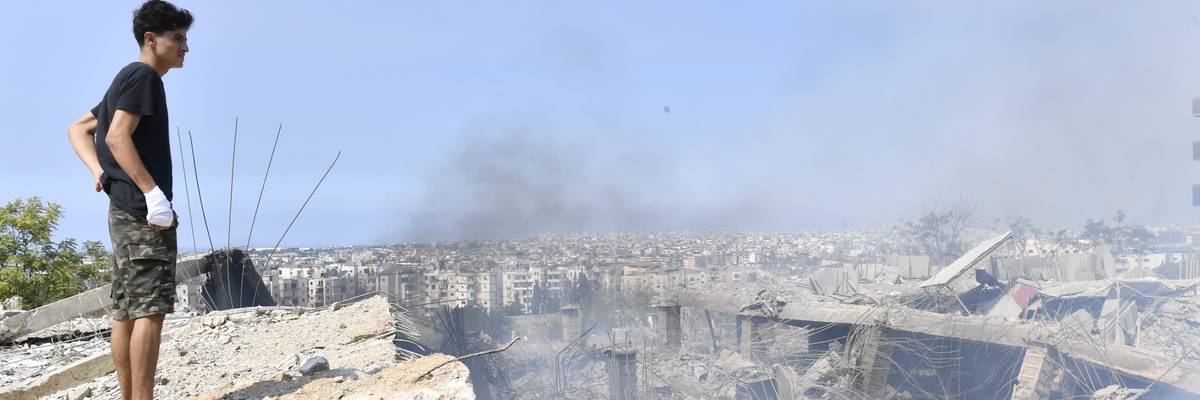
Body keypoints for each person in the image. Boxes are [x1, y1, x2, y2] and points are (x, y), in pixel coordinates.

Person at [66, 1, 192, 398]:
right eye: (177, 38)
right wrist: (153, 194)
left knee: (126, 312)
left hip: (123, 209)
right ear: (151, 39)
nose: (185, 47)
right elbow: (117, 136)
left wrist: (98, 171)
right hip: (141, 213)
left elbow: (79, 128)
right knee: (150, 312)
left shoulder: (126, 78)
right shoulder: (144, 77)